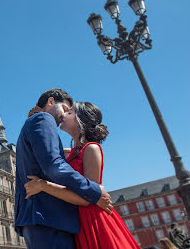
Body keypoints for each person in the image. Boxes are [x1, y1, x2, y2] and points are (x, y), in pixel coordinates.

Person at [25, 101, 140, 248]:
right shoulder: (73, 152)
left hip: (93, 221)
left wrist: (43, 185)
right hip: (78, 222)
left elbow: (87, 197)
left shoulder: (91, 149)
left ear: (81, 121)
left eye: (70, 112)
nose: (64, 114)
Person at [14, 89, 113, 249]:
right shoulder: (43, 118)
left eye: (70, 113)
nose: (64, 116)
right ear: (51, 102)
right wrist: (95, 191)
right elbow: (54, 165)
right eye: (66, 109)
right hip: (49, 217)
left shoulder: (37, 122)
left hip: (42, 217)